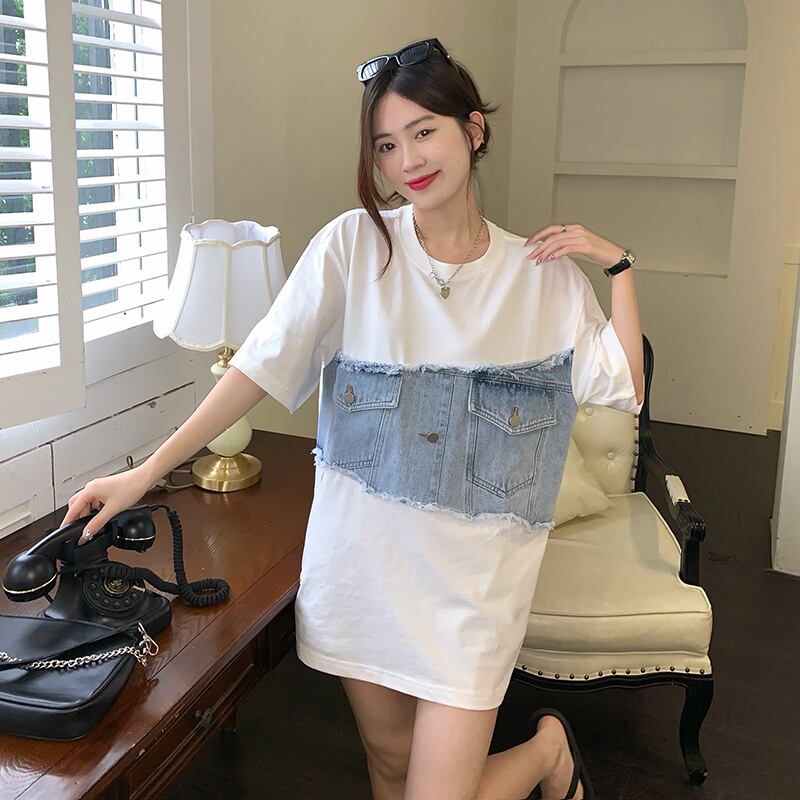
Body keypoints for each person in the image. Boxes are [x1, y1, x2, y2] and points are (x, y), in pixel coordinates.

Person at [62, 37, 644, 800]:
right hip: (364, 572)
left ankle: (545, 754)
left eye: (424, 132)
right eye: (387, 144)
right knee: (393, 768)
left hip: (476, 590)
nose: (408, 160)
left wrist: (619, 266)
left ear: (474, 130)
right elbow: (258, 366)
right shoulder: (352, 246)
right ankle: (543, 757)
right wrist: (146, 472)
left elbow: (622, 386)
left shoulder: (542, 278)